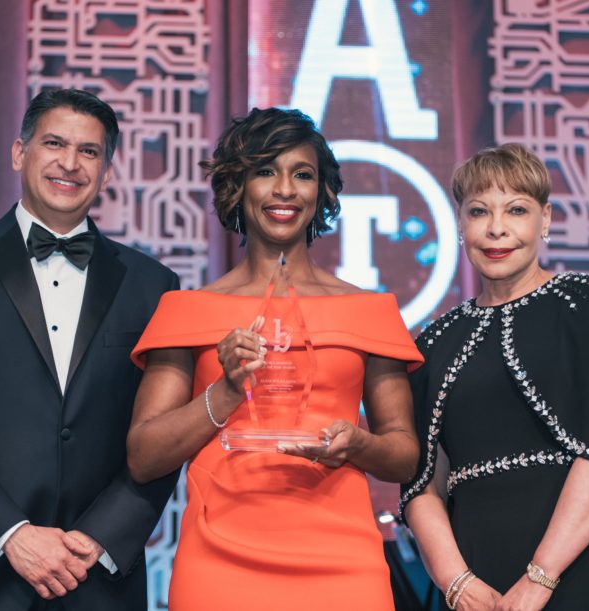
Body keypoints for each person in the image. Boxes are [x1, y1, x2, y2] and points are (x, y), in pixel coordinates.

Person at [0, 88, 180, 610]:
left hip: (92, 576)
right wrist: (12, 535)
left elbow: (160, 438)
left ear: (108, 171)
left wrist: (99, 538)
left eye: (89, 151)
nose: (70, 163)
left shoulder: (153, 284)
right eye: (54, 143)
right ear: (19, 153)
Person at [126, 107, 423, 611]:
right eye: (266, 172)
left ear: (322, 193)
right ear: (237, 188)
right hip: (218, 561)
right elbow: (143, 456)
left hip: (343, 560)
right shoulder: (188, 311)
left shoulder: (369, 312)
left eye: (302, 175)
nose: (284, 189)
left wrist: (357, 443)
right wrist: (223, 390)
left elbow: (404, 456)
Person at [400, 143, 589, 611]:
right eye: (479, 211)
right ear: (460, 224)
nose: (496, 228)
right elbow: (421, 485)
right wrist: (456, 582)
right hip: (476, 581)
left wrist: (541, 578)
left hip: (586, 564)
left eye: (516, 210)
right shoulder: (434, 342)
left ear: (546, 219)